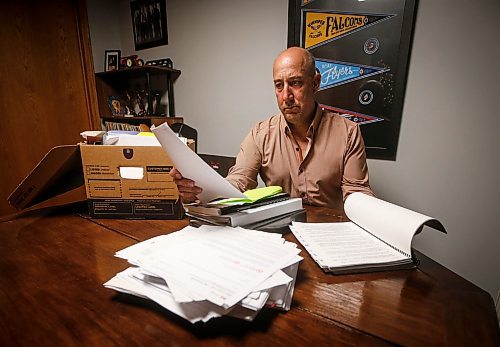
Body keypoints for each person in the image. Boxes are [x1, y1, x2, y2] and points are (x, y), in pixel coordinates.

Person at [170, 46, 373, 210]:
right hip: (278, 233)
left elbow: (357, 196)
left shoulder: (348, 132)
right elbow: (239, 182)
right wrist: (198, 189)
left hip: (329, 234)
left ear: (315, 83)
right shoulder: (260, 133)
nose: (286, 96)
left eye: (295, 83)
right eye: (279, 85)